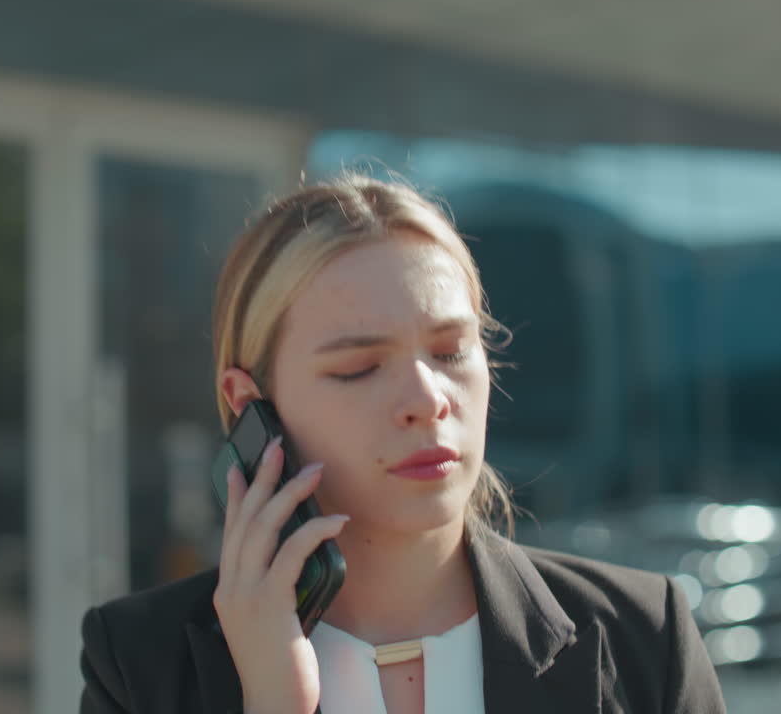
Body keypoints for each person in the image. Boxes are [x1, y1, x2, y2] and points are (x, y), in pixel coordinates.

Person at [79, 174, 727, 714]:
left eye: (450, 351)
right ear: (250, 405)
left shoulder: (643, 637)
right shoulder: (139, 664)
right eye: (359, 367)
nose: (427, 400)